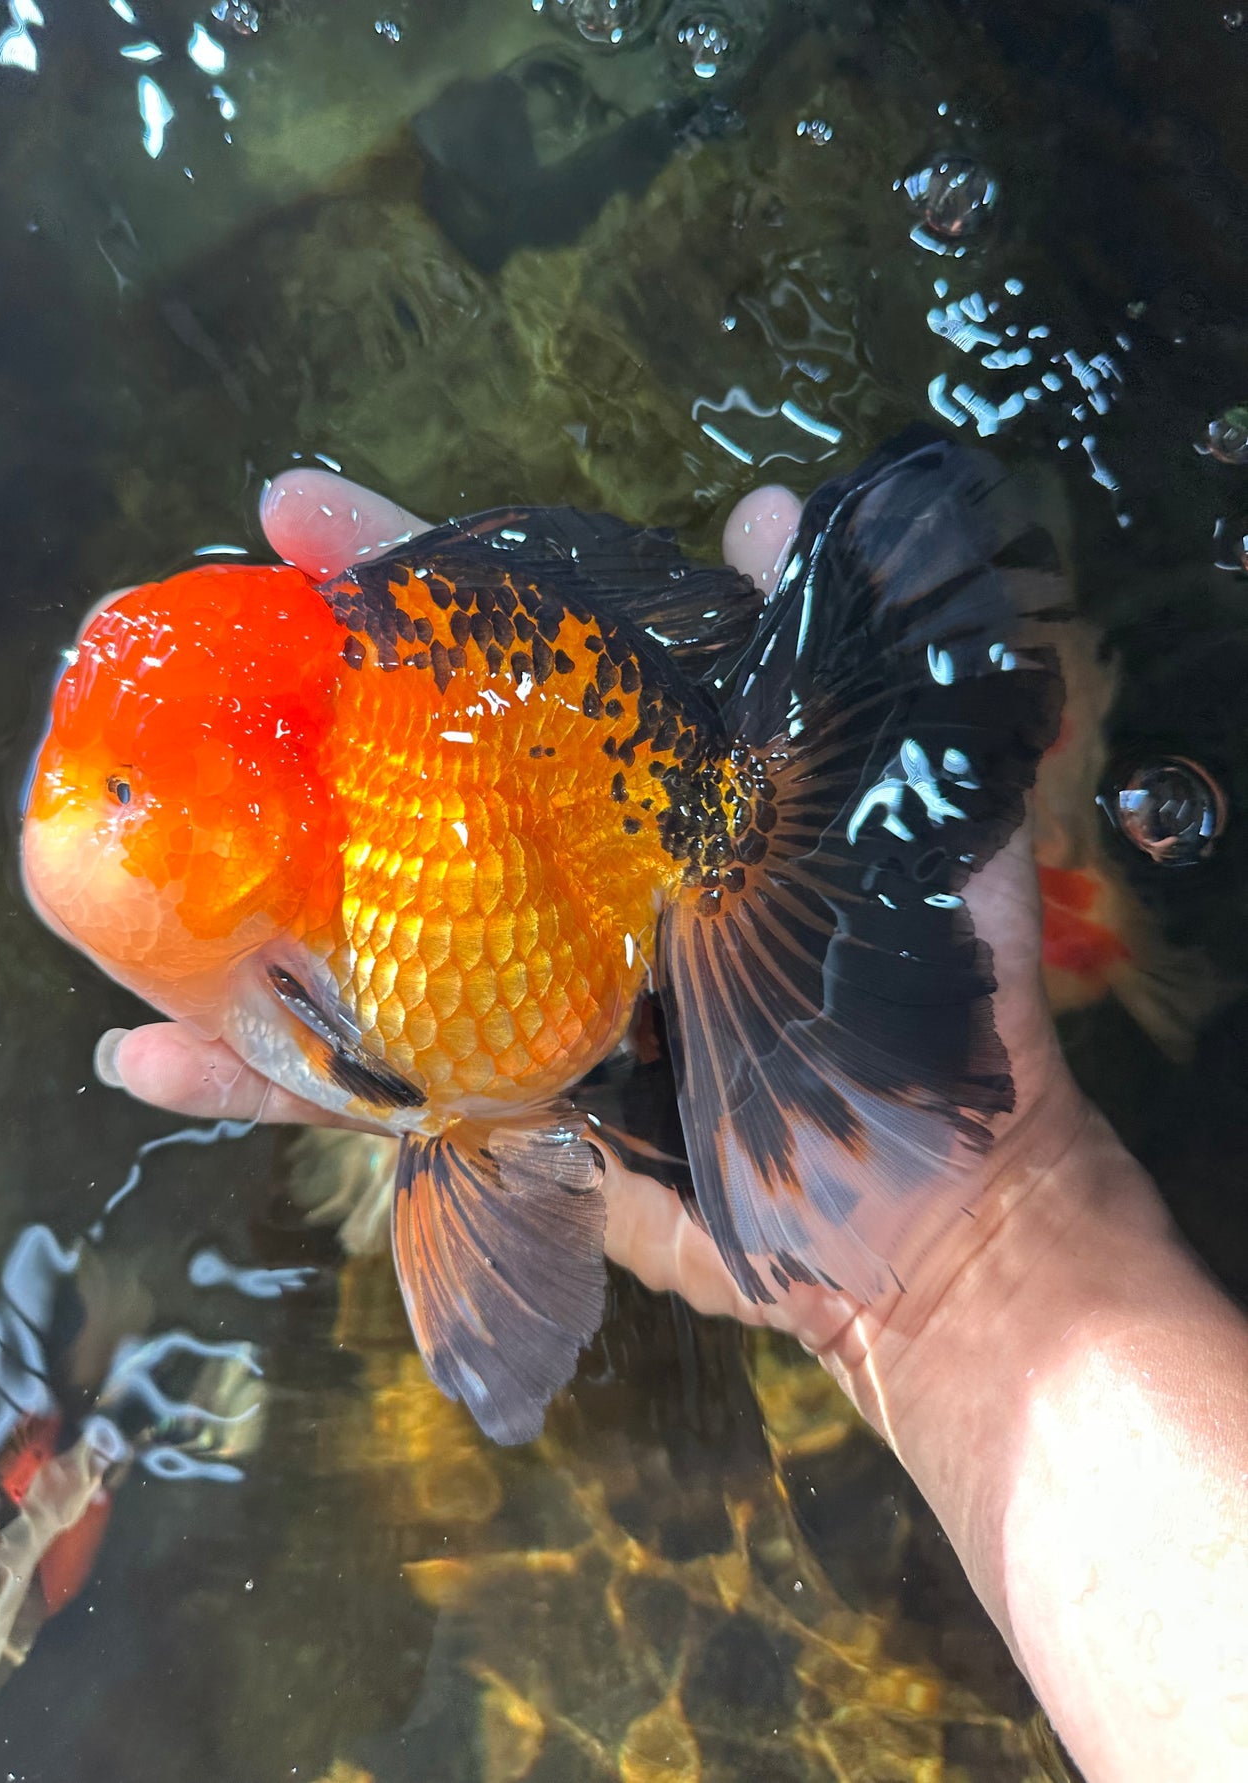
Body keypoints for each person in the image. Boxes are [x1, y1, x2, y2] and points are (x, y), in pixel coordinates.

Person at [92, 467, 1248, 1783]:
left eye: (117, 799)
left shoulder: (291, 927)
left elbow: (410, 1090)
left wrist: (967, 1253)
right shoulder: (280, 901)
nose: (77, 819)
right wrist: (977, 1255)